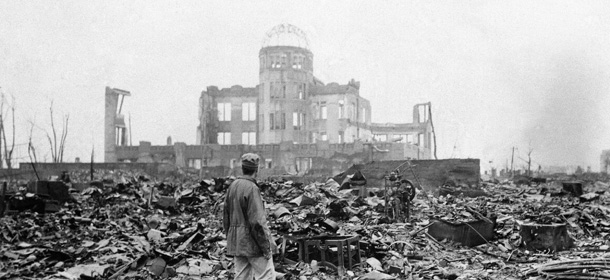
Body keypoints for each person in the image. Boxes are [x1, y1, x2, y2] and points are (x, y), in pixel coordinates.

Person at [223, 153, 275, 279]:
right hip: (253, 244)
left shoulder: (233, 186)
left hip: (237, 244)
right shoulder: (252, 188)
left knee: (241, 277)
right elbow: (257, 222)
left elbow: (226, 217)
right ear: (256, 170)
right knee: (267, 276)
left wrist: (231, 238)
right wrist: (266, 247)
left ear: (243, 168)